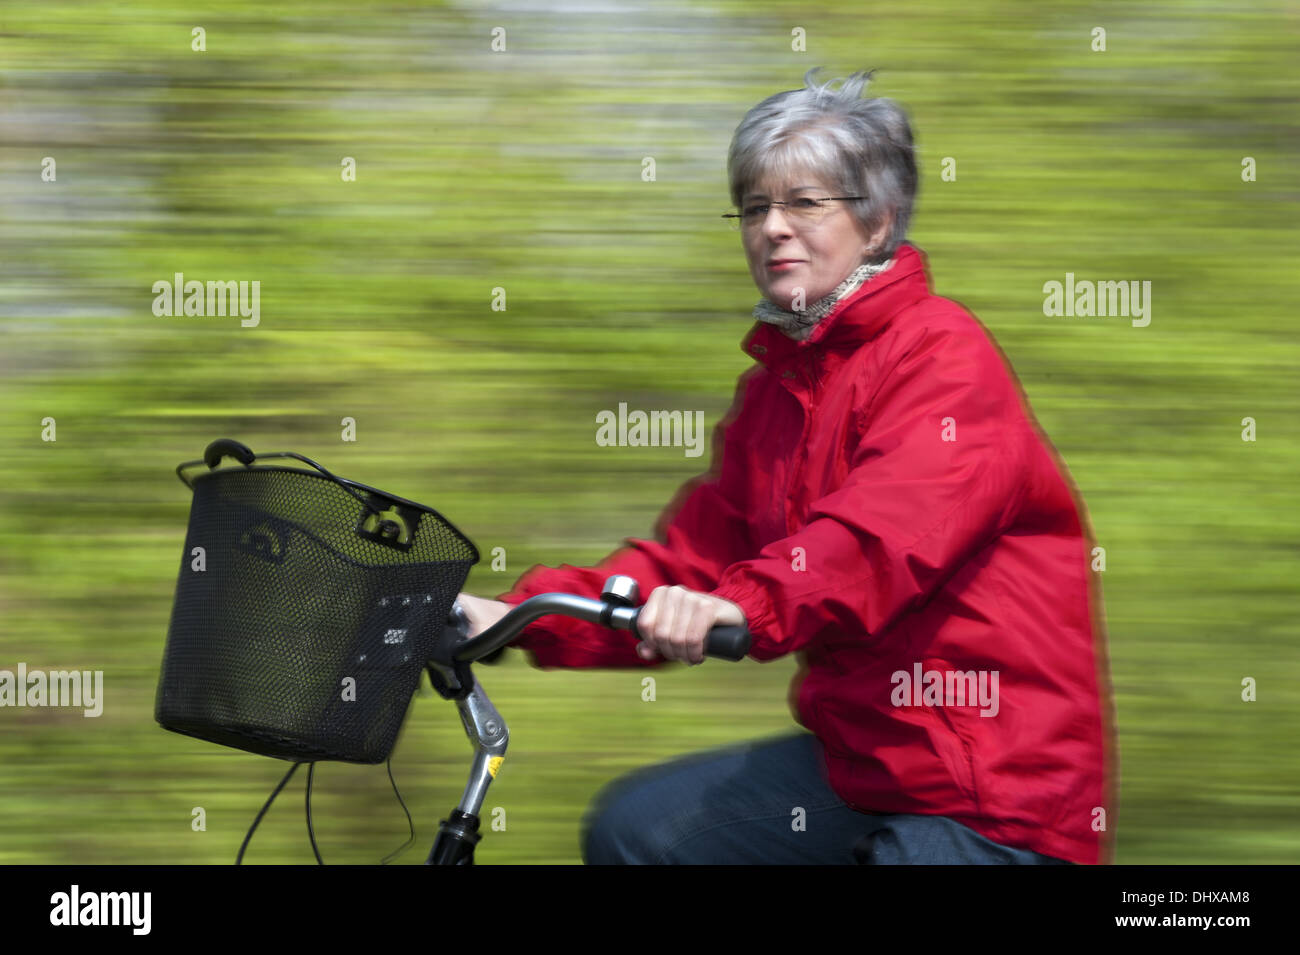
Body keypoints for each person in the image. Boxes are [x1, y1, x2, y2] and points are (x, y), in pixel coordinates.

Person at [454, 67, 1116, 865]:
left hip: (994, 799)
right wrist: (512, 615)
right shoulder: (775, 393)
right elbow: (688, 561)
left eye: (805, 203)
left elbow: (873, 547)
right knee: (640, 831)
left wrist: (739, 608)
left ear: (878, 223)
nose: (773, 227)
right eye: (756, 206)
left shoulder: (943, 357)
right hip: (861, 772)